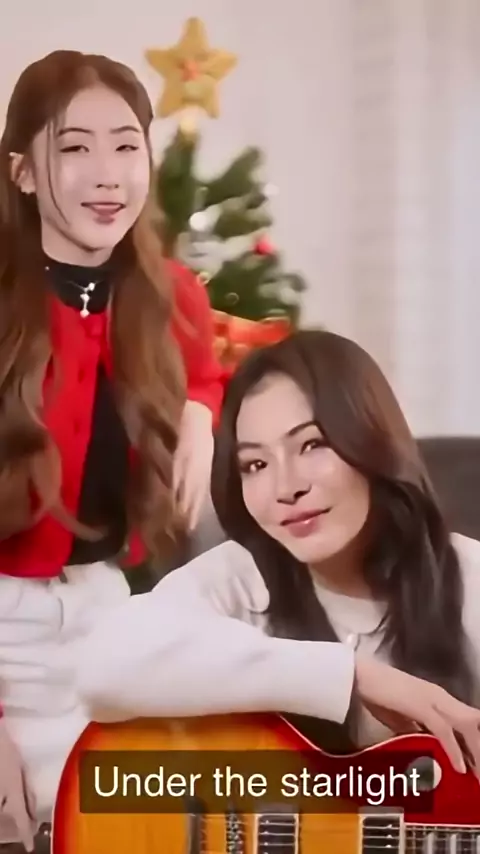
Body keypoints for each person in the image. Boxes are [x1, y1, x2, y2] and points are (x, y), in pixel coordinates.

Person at [78, 328, 480, 781]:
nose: (286, 488)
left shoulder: (468, 577)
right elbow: (102, 668)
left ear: (373, 439)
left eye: (311, 445)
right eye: (256, 464)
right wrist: (349, 677)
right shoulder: (239, 577)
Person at [0, 49, 224, 850]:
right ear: (24, 173)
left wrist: (198, 414)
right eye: (75, 147)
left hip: (105, 610)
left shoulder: (170, 293)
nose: (108, 175)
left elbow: (206, 373)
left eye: (126, 145)